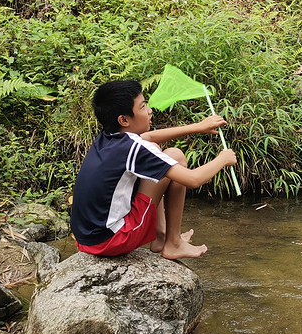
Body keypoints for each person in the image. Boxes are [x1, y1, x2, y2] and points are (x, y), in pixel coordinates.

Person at [71, 79, 236, 259]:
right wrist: (223, 159)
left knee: (159, 152)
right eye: (142, 107)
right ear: (124, 119)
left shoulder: (109, 137)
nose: (149, 110)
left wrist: (198, 127)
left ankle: (162, 235)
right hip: (111, 240)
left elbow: (147, 137)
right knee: (177, 157)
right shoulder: (134, 147)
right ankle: (173, 244)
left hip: (87, 240)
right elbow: (192, 179)